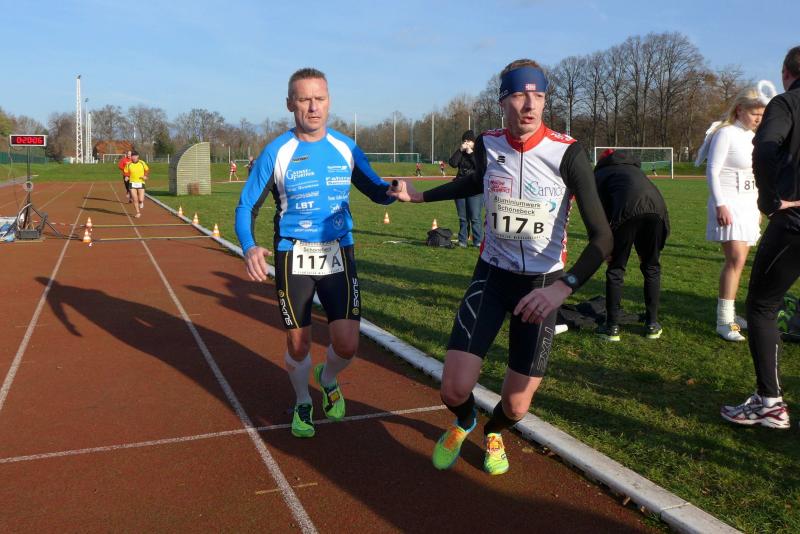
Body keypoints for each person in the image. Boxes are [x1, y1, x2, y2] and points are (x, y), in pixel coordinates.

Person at [389, 59, 612, 475]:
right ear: (502, 102)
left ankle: (494, 430)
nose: (530, 105)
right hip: (492, 277)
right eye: (520, 96)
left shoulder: (569, 153)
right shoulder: (488, 144)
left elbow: (603, 238)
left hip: (542, 287)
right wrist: (419, 197)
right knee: (453, 389)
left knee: (517, 404)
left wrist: (562, 288)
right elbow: (473, 182)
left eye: (539, 96)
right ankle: (465, 421)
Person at [234, 68, 395, 439]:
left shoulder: (345, 147)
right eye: (304, 99)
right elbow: (246, 206)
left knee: (347, 344)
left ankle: (328, 377)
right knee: (299, 342)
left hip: (338, 252)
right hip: (293, 255)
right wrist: (249, 246)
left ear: (329, 101)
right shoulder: (277, 152)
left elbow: (375, 189)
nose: (312, 107)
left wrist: (394, 190)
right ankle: (304, 399)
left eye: (319, 98)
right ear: (290, 104)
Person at [721, 46, 800, 429]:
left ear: (786, 73)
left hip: (795, 223)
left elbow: (765, 147)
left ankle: (770, 402)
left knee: (762, 306)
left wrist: (769, 200)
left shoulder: (786, 103)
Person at [696, 86, 768, 341]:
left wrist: (757, 207)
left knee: (740, 262)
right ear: (739, 110)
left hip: (748, 205)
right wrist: (720, 204)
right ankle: (724, 321)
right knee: (735, 260)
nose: (758, 119)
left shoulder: (752, 137)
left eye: (761, 114)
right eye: (754, 113)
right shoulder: (725, 133)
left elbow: (753, 176)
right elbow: (712, 171)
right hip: (729, 202)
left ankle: (731, 314)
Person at [593, 149, 670, 341]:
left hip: (626, 212)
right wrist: (656, 245)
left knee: (616, 268)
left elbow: (598, 212)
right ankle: (652, 324)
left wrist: (605, 246)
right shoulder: (636, 170)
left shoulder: (601, 173)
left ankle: (612, 327)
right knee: (651, 267)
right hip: (657, 212)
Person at [449, 130, 483, 248]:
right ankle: (462, 240)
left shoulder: (478, 153)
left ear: (474, 143)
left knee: (475, 217)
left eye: (469, 141)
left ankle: (478, 241)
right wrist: (460, 150)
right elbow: (453, 163)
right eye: (464, 141)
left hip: (475, 189)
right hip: (460, 187)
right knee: (463, 217)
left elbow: (480, 166)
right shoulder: (460, 153)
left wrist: (471, 154)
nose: (466, 143)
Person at [124, 151, 149, 218]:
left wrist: (145, 176)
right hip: (132, 183)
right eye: (133, 156)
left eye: (135, 156)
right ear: (131, 157)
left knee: (140, 199)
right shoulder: (128, 164)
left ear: (138, 156)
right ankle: (138, 212)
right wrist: (127, 176)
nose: (134, 157)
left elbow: (146, 170)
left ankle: (141, 202)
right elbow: (126, 171)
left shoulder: (142, 163)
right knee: (135, 199)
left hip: (141, 182)